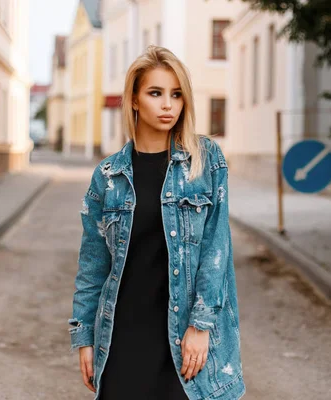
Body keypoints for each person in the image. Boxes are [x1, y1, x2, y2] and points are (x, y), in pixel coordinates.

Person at [68, 46, 245, 400]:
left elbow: (217, 248)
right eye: (156, 93)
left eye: (177, 95)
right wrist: (84, 337)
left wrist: (201, 325)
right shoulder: (108, 176)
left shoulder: (204, 160)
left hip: (183, 335)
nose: (168, 105)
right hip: (122, 335)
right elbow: (93, 265)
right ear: (134, 100)